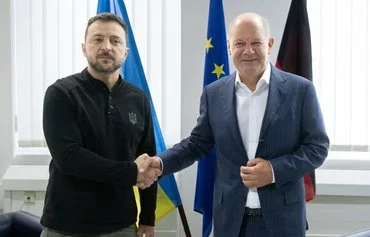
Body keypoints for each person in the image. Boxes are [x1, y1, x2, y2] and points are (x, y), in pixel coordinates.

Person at [142, 12, 329, 237]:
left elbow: (317, 148)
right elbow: (197, 144)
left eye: (256, 42)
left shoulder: (301, 90)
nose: (248, 50)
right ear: (229, 47)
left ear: (269, 44)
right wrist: (160, 163)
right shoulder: (214, 93)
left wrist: (272, 171)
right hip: (230, 221)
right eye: (239, 43)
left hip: (283, 221)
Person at [41, 13, 160, 237]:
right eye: (97, 39)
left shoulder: (139, 99)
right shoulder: (61, 93)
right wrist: (131, 172)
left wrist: (147, 218)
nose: (106, 47)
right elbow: (69, 157)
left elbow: (149, 160)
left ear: (125, 52)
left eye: (115, 41)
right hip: (66, 225)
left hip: (122, 224)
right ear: (84, 48)